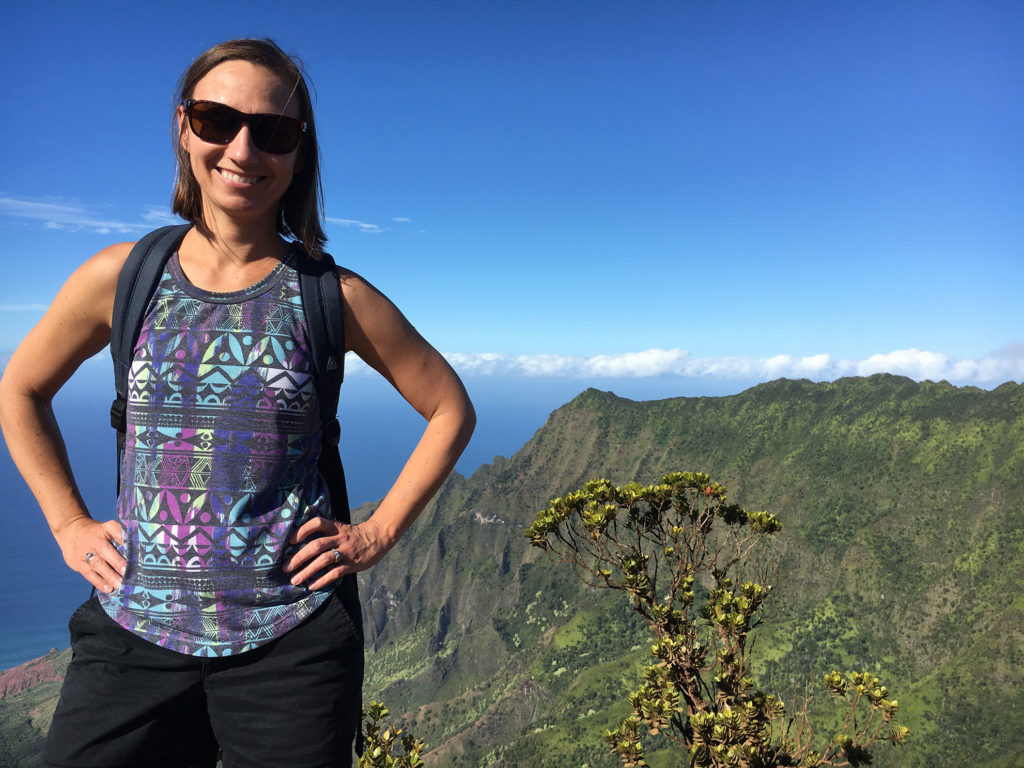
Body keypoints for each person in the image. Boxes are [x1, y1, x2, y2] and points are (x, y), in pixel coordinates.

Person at [0, 38, 475, 768]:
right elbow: (21, 388)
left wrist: (376, 534)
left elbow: (450, 408)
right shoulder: (122, 276)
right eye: (218, 119)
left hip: (291, 645)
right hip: (133, 629)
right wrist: (66, 522)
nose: (243, 148)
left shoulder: (332, 296)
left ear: (299, 152)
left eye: (274, 131)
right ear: (183, 127)